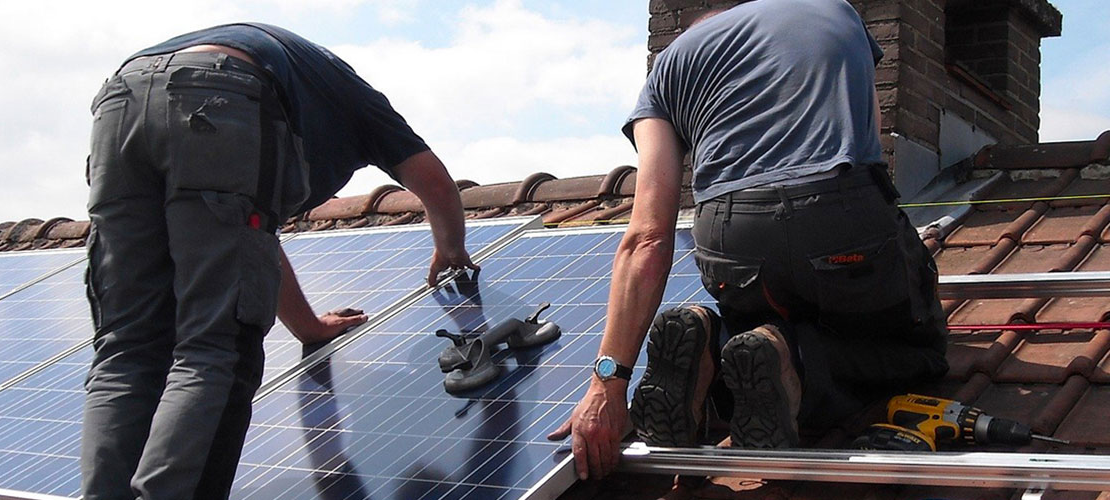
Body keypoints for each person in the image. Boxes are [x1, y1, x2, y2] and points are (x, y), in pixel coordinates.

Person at [549, 0, 948, 483]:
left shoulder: (666, 69)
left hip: (731, 237)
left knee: (758, 320)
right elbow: (871, 137)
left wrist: (608, 382)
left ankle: (711, 347)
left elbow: (648, 235)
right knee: (919, 350)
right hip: (840, 212)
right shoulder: (834, 9)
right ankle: (792, 359)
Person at [81, 23, 477, 500]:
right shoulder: (357, 103)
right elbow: (435, 184)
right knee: (215, 346)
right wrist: (452, 250)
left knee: (126, 347)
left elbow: (255, 243)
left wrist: (308, 327)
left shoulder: (304, 84)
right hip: (219, 96)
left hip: (119, 100)